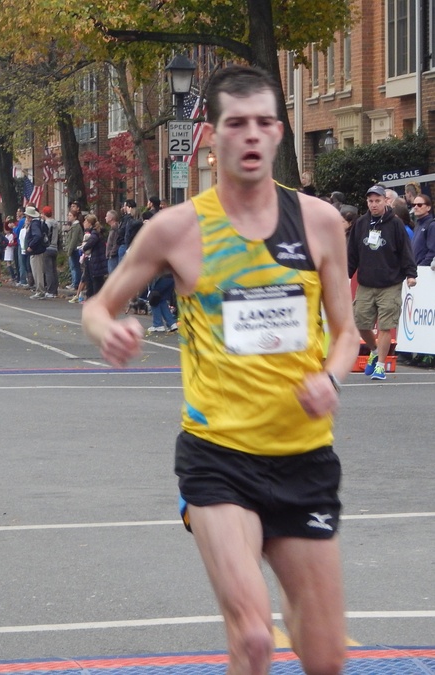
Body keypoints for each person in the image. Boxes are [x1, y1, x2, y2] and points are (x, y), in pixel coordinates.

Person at [82, 65, 359, 675]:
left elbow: (348, 335)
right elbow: (97, 306)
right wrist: (113, 330)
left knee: (327, 658)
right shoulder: (176, 230)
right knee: (254, 637)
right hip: (218, 456)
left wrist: (332, 378)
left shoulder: (317, 222)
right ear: (212, 135)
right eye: (238, 124)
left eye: (264, 123)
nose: (252, 135)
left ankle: (300, 608)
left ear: (281, 133)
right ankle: (259, 621)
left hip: (305, 456)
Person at [348, 184, 417, 381]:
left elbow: (406, 251)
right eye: (370, 201)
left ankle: (380, 366)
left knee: (386, 326)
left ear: (386, 202)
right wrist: (345, 274)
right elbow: (352, 252)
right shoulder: (361, 224)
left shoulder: (395, 224)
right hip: (366, 283)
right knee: (360, 322)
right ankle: (376, 350)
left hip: (391, 282)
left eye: (377, 200)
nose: (374, 204)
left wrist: (411, 274)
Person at [23, 206, 47, 299]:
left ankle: (40, 291)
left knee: (37, 272)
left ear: (29, 217)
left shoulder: (34, 224)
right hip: (39, 250)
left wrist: (31, 246)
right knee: (38, 271)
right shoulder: (38, 223)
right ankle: (40, 290)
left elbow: (37, 236)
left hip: (36, 251)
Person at [411, 194, 435, 264]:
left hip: (425, 271)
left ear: (428, 208)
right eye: (414, 205)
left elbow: (432, 252)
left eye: (419, 205)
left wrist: (421, 266)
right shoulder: (417, 225)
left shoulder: (432, 225)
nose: (415, 207)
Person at [42, 205, 60, 297]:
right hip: (55, 247)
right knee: (54, 270)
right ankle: (55, 290)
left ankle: (50, 291)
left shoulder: (46, 224)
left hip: (48, 248)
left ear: (44, 214)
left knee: (48, 270)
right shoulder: (56, 223)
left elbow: (44, 235)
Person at [65, 213, 84, 291]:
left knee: (75, 267)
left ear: (75, 217)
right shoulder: (73, 226)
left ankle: (76, 283)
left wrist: (69, 250)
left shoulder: (76, 226)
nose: (68, 217)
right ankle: (74, 282)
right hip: (73, 249)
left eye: (70, 215)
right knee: (73, 267)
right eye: (68, 215)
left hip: (75, 249)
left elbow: (74, 239)